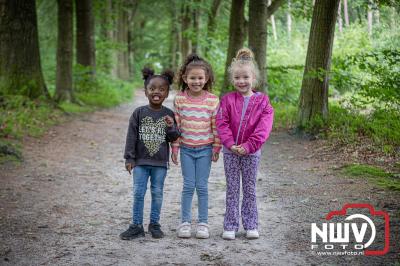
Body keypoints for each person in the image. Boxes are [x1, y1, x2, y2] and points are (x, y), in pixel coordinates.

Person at [216, 48, 274, 240]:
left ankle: (251, 224)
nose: (241, 81)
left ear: (254, 78)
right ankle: (230, 225)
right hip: (230, 152)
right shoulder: (227, 100)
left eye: (245, 77)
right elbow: (221, 123)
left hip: (252, 153)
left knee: (249, 188)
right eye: (237, 77)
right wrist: (231, 144)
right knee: (232, 188)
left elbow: (263, 128)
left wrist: (249, 146)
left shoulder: (263, 102)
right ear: (233, 79)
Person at [120, 68, 180, 240]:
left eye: (162, 89)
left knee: (157, 192)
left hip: (160, 163)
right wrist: (129, 158)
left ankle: (154, 224)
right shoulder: (138, 113)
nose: (157, 92)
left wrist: (171, 126)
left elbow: (174, 137)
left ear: (167, 92)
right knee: (138, 193)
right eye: (152, 88)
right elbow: (131, 136)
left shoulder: (169, 114)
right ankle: (136, 225)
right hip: (140, 162)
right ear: (145, 91)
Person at [172, 54, 221, 239]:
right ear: (185, 78)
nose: (196, 81)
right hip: (186, 149)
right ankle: (184, 222)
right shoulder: (180, 99)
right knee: (188, 185)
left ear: (206, 78)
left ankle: (203, 223)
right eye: (192, 78)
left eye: (200, 78)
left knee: (201, 186)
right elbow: (176, 127)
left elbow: (216, 126)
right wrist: (175, 148)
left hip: (205, 149)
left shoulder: (212, 100)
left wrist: (217, 147)